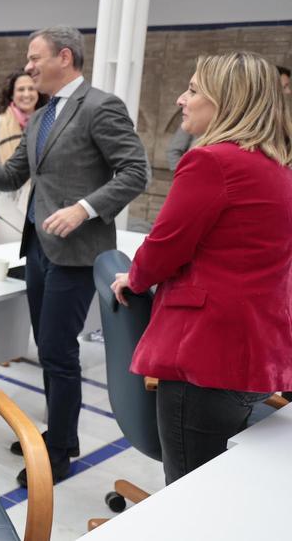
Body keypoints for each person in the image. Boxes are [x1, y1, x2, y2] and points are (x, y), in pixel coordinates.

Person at [0, 25, 150, 487]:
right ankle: (60, 433)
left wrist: (84, 209)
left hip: (77, 255)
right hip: (38, 248)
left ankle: (58, 449)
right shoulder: (42, 116)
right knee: (47, 346)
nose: (29, 67)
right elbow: (14, 174)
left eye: (35, 58)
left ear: (65, 56)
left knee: (58, 353)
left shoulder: (100, 107)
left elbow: (135, 171)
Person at [111, 52, 292, 484]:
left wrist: (133, 278)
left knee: (191, 489)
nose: (180, 99)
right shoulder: (278, 166)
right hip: (255, 350)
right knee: (219, 486)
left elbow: (164, 247)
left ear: (226, 99)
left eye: (193, 90)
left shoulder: (212, 161)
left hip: (206, 356)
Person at [0, 69, 48, 245]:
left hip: (37, 210)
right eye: (21, 90)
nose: (27, 94)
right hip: (1, 212)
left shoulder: (47, 124)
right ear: (12, 94)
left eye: (31, 88)